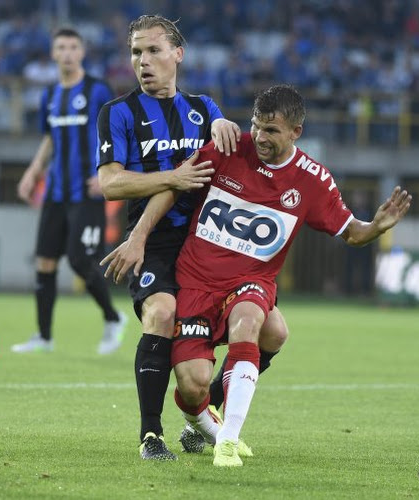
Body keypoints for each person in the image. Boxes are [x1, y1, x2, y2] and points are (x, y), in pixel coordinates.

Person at [104, 85, 412, 467]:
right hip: (197, 281)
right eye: (256, 126)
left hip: (250, 282)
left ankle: (228, 441)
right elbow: (175, 185)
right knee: (192, 383)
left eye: (271, 130)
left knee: (259, 323)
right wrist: (139, 235)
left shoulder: (313, 180)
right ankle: (202, 423)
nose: (260, 138)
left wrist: (376, 226)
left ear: (296, 131)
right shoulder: (228, 149)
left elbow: (352, 232)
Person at [97, 15, 289, 460]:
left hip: (212, 244)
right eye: (136, 52)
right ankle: (150, 434)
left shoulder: (204, 110)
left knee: (274, 332)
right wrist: (175, 178)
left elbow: (231, 150)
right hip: (157, 243)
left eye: (153, 50)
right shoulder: (118, 113)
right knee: (161, 313)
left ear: (177, 54)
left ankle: (203, 414)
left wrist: (227, 125)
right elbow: (110, 184)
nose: (143, 61)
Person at [13, 27, 127, 355]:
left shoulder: (97, 90)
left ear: (82, 52)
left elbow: (118, 129)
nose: (66, 52)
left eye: (73, 47)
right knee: (45, 262)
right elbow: (49, 137)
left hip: (87, 191)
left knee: (79, 260)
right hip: (56, 191)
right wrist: (33, 173)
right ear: (52, 53)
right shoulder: (50, 95)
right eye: (60, 47)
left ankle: (112, 317)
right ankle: (44, 337)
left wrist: (110, 171)